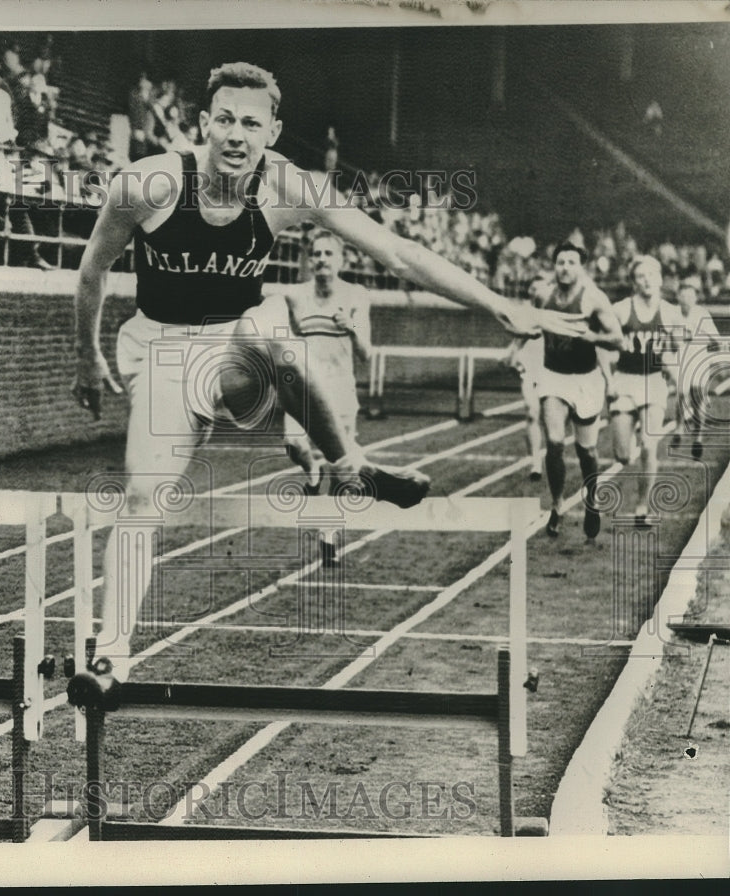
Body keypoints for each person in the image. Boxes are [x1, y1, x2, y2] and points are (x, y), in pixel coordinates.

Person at [66, 62, 587, 708]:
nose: (236, 135)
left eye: (251, 123)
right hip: (161, 350)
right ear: (202, 123)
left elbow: (397, 252)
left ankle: (349, 466)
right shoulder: (148, 184)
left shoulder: (289, 186)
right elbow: (92, 271)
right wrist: (87, 356)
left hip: (235, 349)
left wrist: (498, 305)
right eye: (224, 119)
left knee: (274, 337)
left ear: (272, 132)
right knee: (144, 495)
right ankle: (110, 659)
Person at [280, 229, 373, 568]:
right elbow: (289, 337)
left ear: (341, 260)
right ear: (309, 260)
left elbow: (366, 353)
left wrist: (351, 326)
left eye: (328, 254)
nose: (321, 260)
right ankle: (311, 472)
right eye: (316, 254)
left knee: (342, 469)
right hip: (305, 386)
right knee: (293, 442)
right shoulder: (294, 296)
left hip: (340, 389)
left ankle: (329, 535)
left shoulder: (356, 295)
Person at [535, 242, 624, 540]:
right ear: (554, 266)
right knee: (554, 442)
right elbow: (532, 323)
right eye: (560, 262)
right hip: (553, 376)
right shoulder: (543, 294)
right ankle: (557, 506)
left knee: (586, 451)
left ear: (581, 267)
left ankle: (592, 500)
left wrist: (591, 336)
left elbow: (617, 339)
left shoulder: (594, 299)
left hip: (586, 380)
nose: (565, 268)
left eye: (571, 262)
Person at [604, 255, 683, 524]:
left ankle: (642, 506)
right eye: (641, 276)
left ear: (660, 279)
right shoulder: (620, 310)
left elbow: (674, 350)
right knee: (623, 456)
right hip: (625, 381)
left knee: (649, 446)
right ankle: (627, 439)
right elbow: (601, 345)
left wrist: (677, 376)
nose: (647, 280)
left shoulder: (670, 313)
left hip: (653, 381)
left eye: (651, 275)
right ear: (634, 282)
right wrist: (608, 379)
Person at [503, 274, 549, 481]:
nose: (538, 292)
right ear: (530, 292)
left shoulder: (556, 313)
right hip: (530, 370)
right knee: (532, 413)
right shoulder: (525, 314)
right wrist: (511, 355)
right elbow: (518, 340)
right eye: (534, 288)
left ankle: (551, 454)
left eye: (542, 288)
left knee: (551, 421)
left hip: (552, 372)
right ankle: (536, 462)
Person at [672, 277, 721, 458]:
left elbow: (716, 340)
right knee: (681, 394)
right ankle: (679, 428)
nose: (686, 299)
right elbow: (667, 338)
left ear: (695, 298)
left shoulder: (702, 314)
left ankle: (698, 438)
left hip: (699, 360)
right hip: (682, 360)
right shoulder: (673, 314)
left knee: (697, 400)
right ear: (678, 297)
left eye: (690, 296)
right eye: (683, 296)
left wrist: (707, 349)